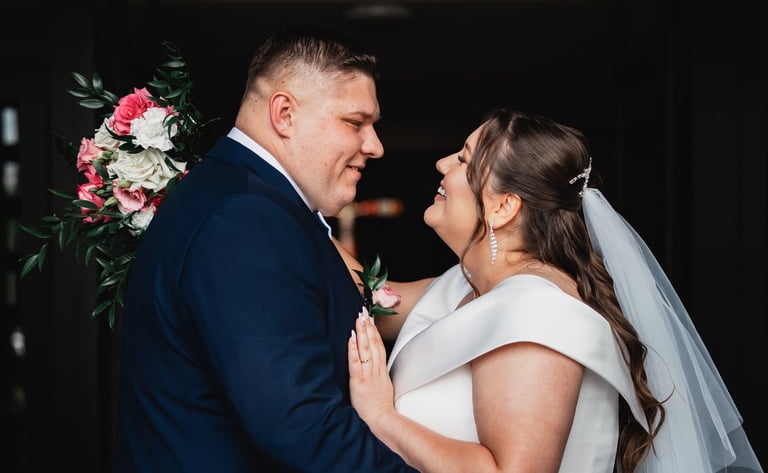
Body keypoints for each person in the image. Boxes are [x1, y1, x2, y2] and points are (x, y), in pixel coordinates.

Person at [341, 108, 764, 473]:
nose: (440, 164)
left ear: (504, 206)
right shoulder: (467, 288)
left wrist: (381, 417)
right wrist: (290, 193)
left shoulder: (540, 314)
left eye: (464, 161)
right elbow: (371, 294)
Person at [113, 26, 418, 473]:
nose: (375, 146)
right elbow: (300, 425)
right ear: (285, 114)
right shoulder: (245, 217)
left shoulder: (245, 199)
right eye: (355, 123)